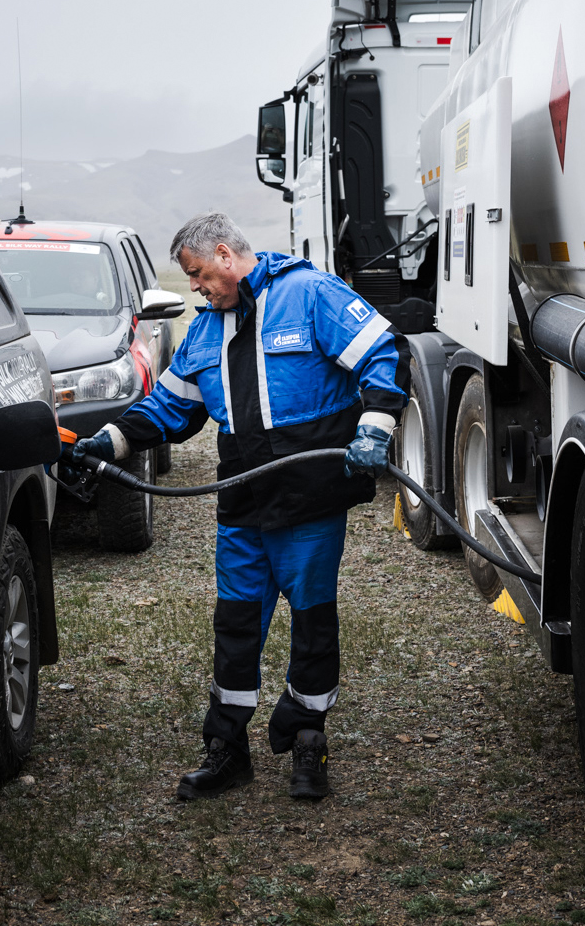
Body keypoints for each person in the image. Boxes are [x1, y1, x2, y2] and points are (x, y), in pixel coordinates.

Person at [71, 212, 403, 801]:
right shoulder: (204, 332)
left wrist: (376, 426)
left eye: (197, 274)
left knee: (312, 623)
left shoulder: (308, 294)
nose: (195, 287)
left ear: (225, 254)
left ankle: (307, 740)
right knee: (236, 625)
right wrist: (111, 440)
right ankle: (226, 750)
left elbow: (381, 351)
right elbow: (170, 408)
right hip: (242, 498)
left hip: (310, 495)